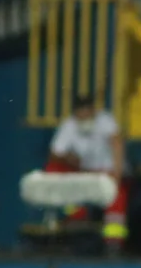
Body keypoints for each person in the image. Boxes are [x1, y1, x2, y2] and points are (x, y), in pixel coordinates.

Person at [45, 94, 128, 250]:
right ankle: (76, 218)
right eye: (80, 113)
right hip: (84, 172)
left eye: (87, 112)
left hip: (108, 171)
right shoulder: (69, 125)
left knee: (117, 196)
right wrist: (71, 159)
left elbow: (117, 145)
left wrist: (117, 174)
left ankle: (114, 241)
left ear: (93, 111)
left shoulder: (105, 121)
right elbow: (55, 153)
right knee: (54, 169)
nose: (83, 116)